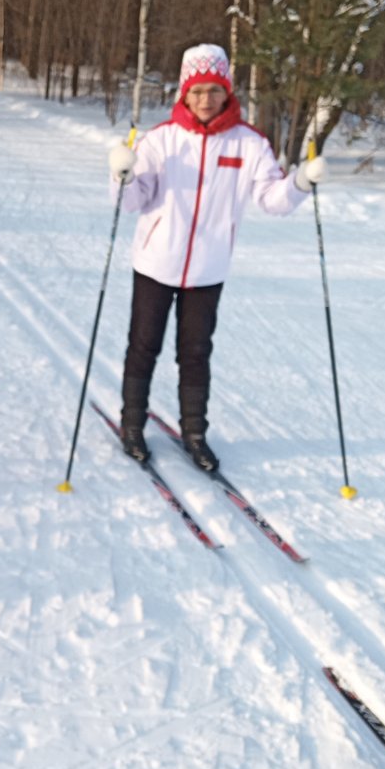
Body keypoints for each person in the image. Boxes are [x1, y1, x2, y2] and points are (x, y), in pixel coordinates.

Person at [108, 43, 326, 472]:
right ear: (184, 94)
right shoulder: (161, 140)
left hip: (208, 270)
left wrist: (301, 181)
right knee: (143, 346)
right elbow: (133, 201)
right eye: (197, 90)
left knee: (195, 352)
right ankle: (131, 424)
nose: (206, 99)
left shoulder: (248, 144)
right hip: (155, 264)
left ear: (227, 92)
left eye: (214, 90)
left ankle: (194, 434)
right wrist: (123, 175)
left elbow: (272, 199)